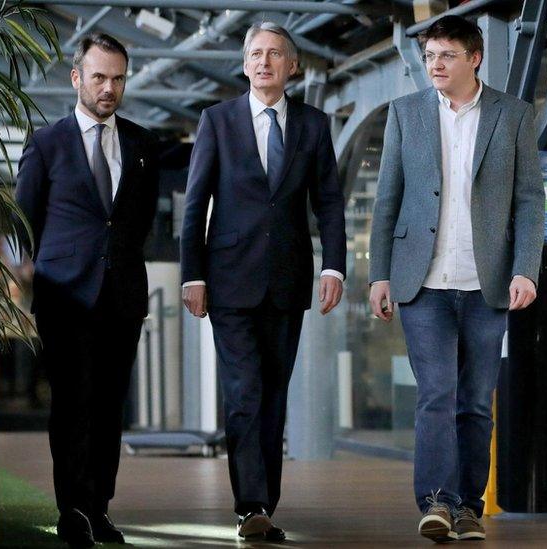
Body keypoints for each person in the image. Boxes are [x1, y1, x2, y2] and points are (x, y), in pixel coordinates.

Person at [368, 15, 544, 543]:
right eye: (429, 57)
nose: (435, 65)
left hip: (487, 280)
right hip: (422, 281)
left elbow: (530, 200)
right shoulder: (405, 114)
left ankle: (469, 505)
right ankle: (437, 502)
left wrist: (525, 269)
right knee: (437, 394)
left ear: (475, 58)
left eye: (446, 55)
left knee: (473, 399)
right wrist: (379, 275)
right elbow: (386, 201)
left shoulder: (513, 116)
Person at [180, 22, 347, 542]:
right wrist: (193, 275)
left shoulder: (314, 126)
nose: (264, 62)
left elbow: (329, 204)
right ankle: (249, 504)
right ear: (245, 62)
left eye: (275, 54)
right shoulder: (218, 121)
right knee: (244, 391)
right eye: (255, 53)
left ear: (292, 66)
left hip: (288, 279)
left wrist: (333, 266)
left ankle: (264, 506)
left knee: (273, 394)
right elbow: (194, 204)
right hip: (228, 280)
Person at [15, 32, 159, 548]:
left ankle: (99, 508)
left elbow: (138, 221)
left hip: (121, 296)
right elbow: (23, 222)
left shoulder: (142, 145)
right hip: (65, 297)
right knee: (72, 404)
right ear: (76, 77)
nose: (109, 88)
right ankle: (72, 510)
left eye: (118, 78)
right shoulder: (46, 142)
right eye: (99, 76)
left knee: (109, 406)